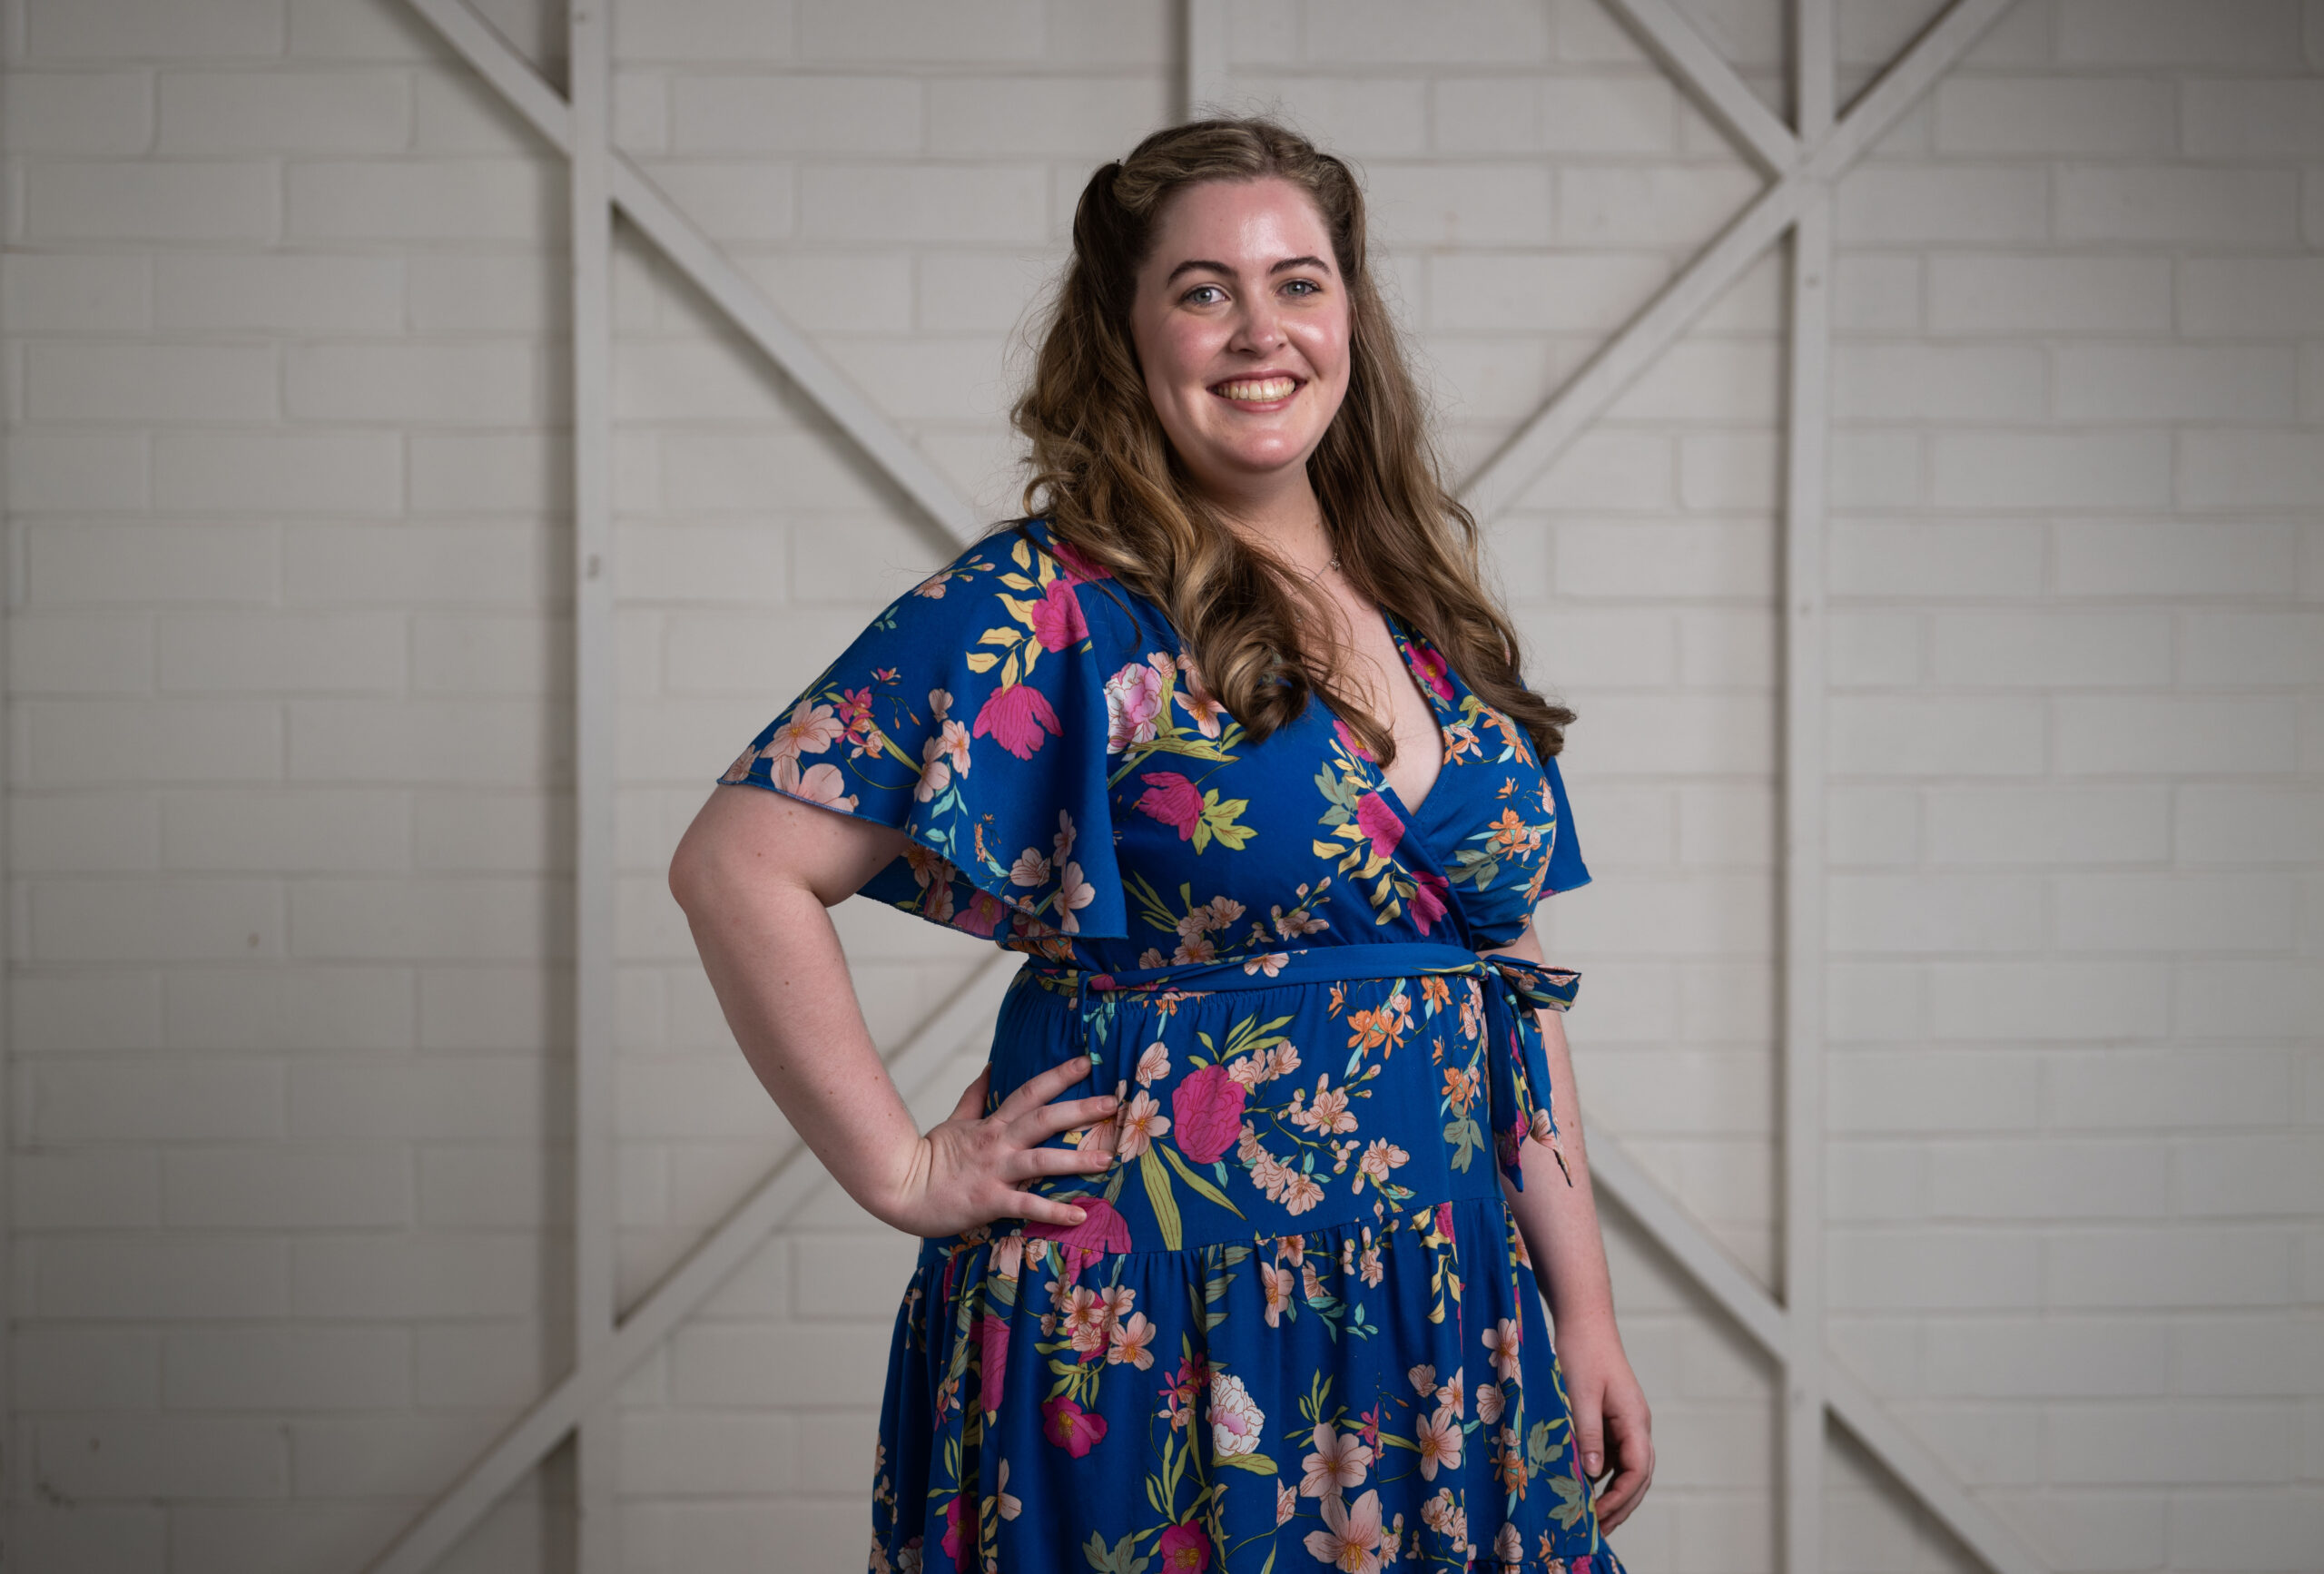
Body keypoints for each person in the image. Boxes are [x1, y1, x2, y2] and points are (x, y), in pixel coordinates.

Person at [669, 117, 1651, 1574]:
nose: (1261, 329)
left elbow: (1512, 984)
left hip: (1441, 1310)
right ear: (1127, 332)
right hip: (1159, 1318)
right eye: (1203, 289)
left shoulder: (1422, 608)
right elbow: (736, 861)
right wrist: (904, 1166)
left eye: (1300, 283)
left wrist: (1586, 1312)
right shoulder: (1058, 601)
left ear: (1351, 318)